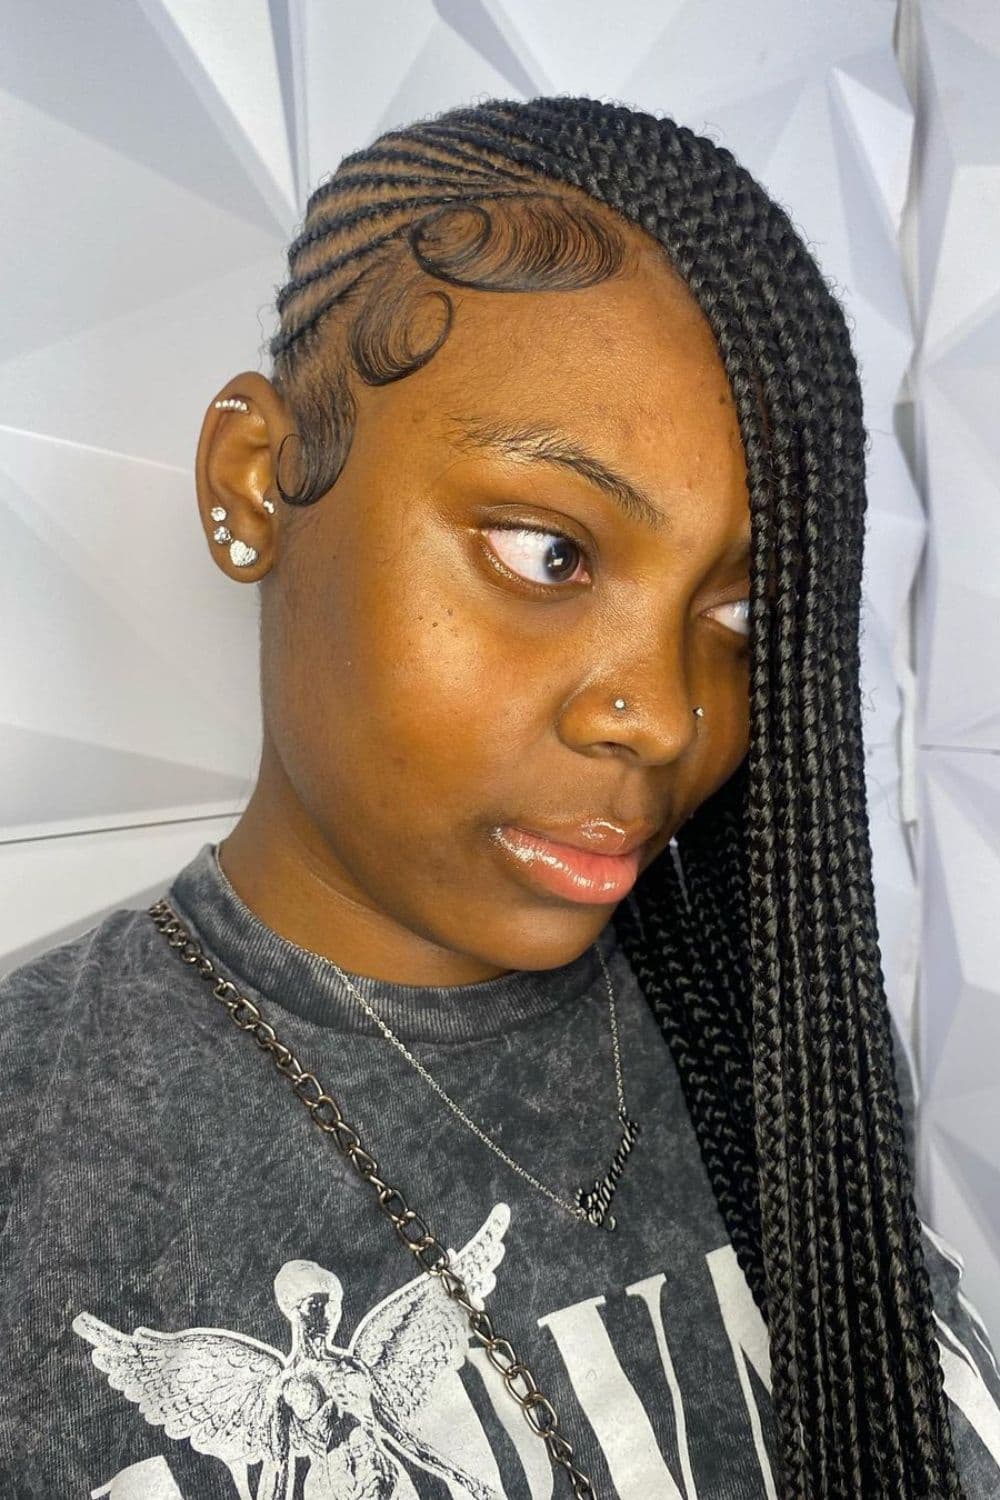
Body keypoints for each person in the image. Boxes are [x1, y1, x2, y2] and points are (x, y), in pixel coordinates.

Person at [1, 93, 998, 1500]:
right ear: (255, 483)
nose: (663, 715)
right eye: (548, 555)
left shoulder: (778, 1035)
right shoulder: (37, 1155)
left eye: (740, 610)